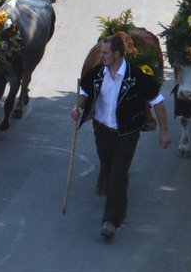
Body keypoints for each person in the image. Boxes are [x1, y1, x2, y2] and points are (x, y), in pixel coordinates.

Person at [70, 34, 170, 240]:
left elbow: (157, 102)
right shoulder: (97, 74)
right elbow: (86, 93)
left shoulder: (137, 77)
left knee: (118, 173)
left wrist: (164, 131)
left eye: (105, 53)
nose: (102, 56)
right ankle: (119, 207)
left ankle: (111, 220)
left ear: (117, 54)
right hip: (102, 129)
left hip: (127, 133)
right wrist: (78, 107)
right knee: (107, 165)